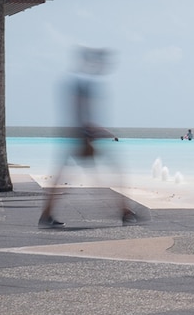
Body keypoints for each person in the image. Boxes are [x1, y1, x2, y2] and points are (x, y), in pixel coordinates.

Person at [39, 47, 138, 228]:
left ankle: (46, 215)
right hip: (83, 137)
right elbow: (81, 113)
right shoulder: (83, 83)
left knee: (66, 177)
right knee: (111, 173)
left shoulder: (80, 81)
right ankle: (124, 212)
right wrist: (95, 132)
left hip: (80, 136)